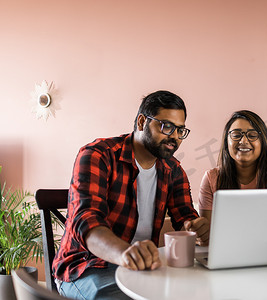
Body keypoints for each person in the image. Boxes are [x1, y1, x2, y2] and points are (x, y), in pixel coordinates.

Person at [53, 90, 209, 299]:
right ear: (142, 121)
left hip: (142, 268)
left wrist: (196, 229)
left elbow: (185, 217)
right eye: (167, 126)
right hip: (86, 268)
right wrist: (125, 253)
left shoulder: (173, 170)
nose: (174, 136)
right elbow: (87, 222)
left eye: (180, 130)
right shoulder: (98, 155)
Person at [198, 110, 267, 223]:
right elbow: (207, 233)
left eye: (252, 135)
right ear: (226, 142)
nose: (243, 140)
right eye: (236, 135)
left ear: (263, 142)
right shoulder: (211, 178)